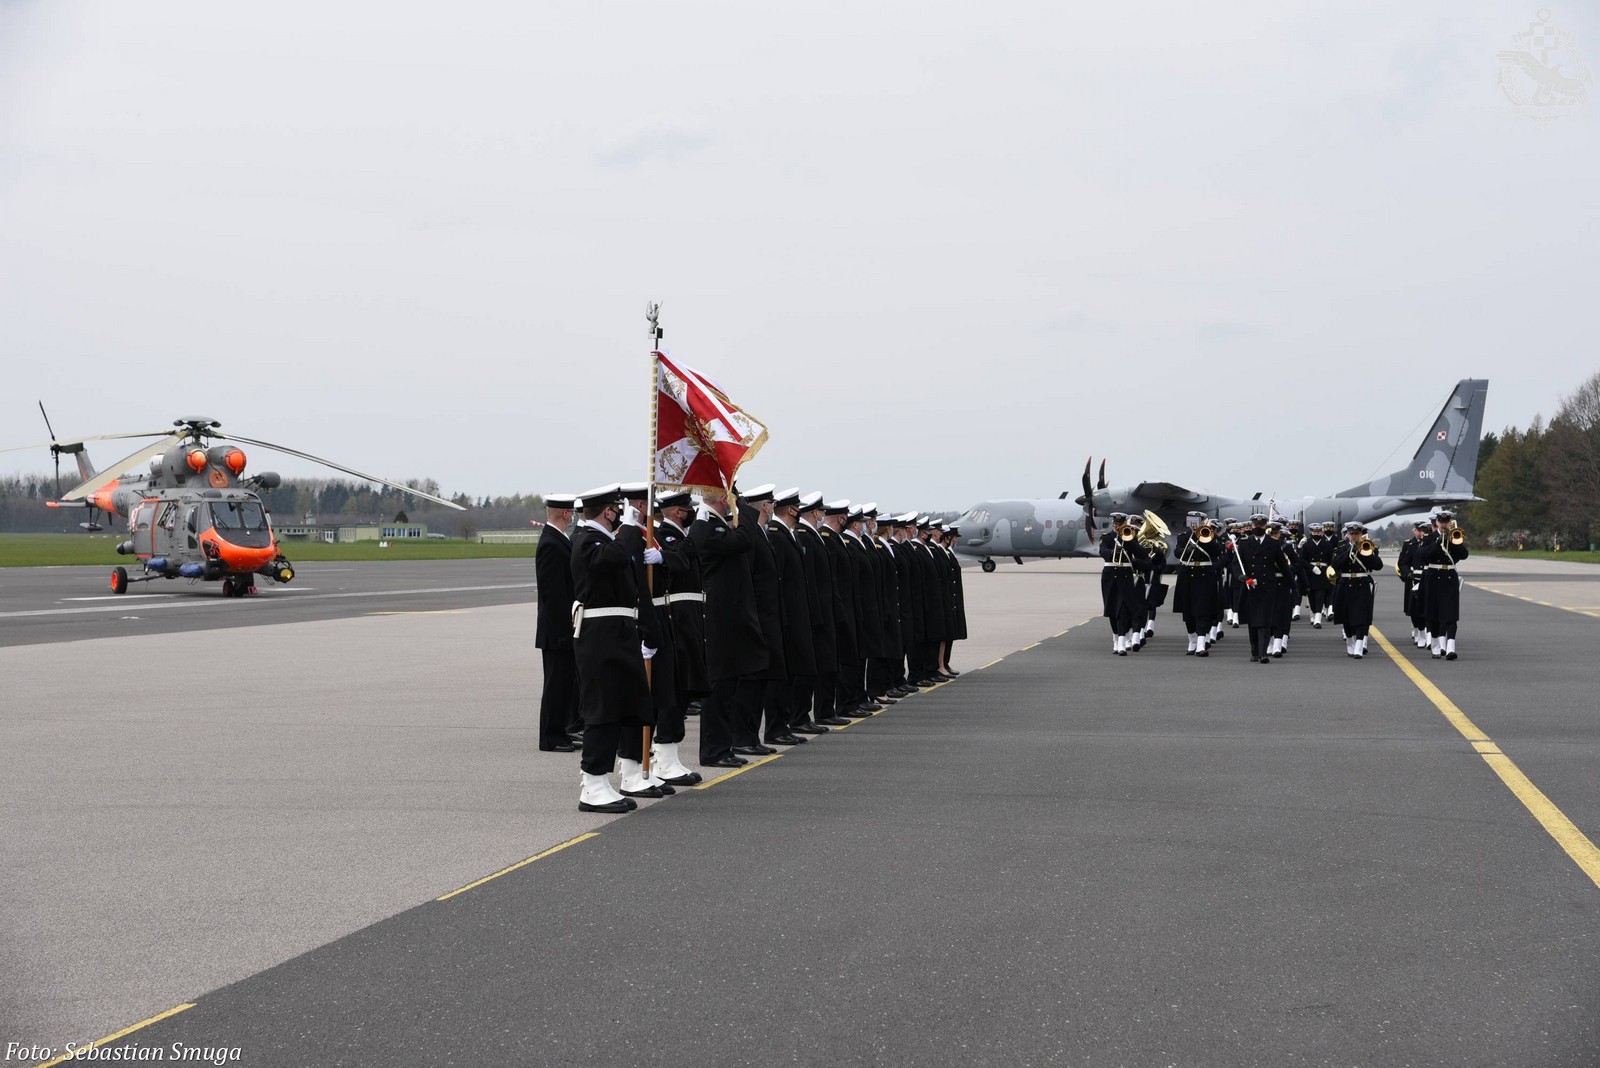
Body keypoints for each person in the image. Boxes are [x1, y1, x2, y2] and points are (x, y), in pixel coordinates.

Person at [569, 485, 656, 813]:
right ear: (608, 512)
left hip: (616, 634)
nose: (620, 515)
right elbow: (615, 558)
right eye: (616, 510)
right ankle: (592, 784)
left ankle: (612, 778)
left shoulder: (603, 541)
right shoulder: (586, 540)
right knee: (601, 709)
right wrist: (632, 527)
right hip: (598, 636)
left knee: (622, 705)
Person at [691, 487, 768, 768]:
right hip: (717, 618)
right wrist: (746, 508)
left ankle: (722, 746)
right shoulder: (705, 527)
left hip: (728, 619)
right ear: (725, 500)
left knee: (728, 686)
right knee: (719, 688)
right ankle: (713, 750)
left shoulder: (717, 525)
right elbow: (745, 539)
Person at [651, 489, 708, 784]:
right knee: (674, 692)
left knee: (684, 690)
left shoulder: (678, 538)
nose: (692, 513)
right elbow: (681, 562)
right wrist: (699, 531)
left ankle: (669, 756)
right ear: (676, 511)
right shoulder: (664, 536)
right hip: (677, 621)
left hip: (689, 619)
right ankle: (664, 758)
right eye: (688, 509)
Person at [763, 487, 813, 745]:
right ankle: (775, 728)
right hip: (785, 617)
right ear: (791, 510)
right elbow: (777, 580)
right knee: (780, 677)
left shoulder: (788, 535)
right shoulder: (777, 536)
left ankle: (783, 725)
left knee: (790, 673)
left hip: (794, 616)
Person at [796, 492, 848, 727]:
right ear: (815, 513)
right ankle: (814, 712)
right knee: (820, 664)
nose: (824, 515)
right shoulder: (804, 536)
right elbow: (809, 579)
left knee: (829, 662)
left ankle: (826, 710)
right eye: (822, 512)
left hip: (826, 610)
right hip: (817, 613)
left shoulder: (814, 535)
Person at [535, 493, 581, 752]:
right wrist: (563, 629)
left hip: (563, 627)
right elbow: (553, 594)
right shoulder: (551, 543)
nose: (572, 516)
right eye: (571, 512)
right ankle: (550, 737)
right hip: (556, 630)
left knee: (564, 683)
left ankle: (560, 731)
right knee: (555, 684)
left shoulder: (558, 540)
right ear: (565, 514)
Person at [1417, 510, 1468, 660]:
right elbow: (1421, 555)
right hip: (1433, 578)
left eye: (1447, 522)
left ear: (1450, 522)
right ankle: (1435, 646)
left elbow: (1464, 555)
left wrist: (1454, 541)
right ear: (1437, 522)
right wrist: (1437, 543)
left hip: (1449, 577)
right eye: (1442, 521)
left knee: (1451, 614)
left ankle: (1451, 648)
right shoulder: (1430, 538)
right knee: (1433, 614)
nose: (1444, 524)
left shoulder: (1454, 537)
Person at [1330, 522, 1383, 658]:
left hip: (1362, 584)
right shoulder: (1342, 547)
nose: (1354, 536)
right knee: (1346, 617)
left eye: (1357, 534)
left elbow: (1378, 565)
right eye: (1352, 534)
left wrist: (1365, 553)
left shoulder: (1368, 546)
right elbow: (1335, 564)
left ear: (1361, 534)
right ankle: (1350, 642)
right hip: (1345, 584)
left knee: (1362, 617)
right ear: (1347, 534)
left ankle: (1359, 646)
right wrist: (1349, 552)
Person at [1172, 512, 1220, 657]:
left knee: (1202, 611)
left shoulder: (1210, 535)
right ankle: (1192, 640)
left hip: (1204, 576)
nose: (1194, 523)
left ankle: (1200, 644)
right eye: (1191, 520)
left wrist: (1207, 538)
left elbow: (1216, 551)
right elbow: (1177, 552)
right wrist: (1188, 549)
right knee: (1188, 612)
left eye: (1197, 521)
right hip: (1187, 576)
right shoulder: (1183, 537)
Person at [1099, 513, 1147, 655]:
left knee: (1123, 610)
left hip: (1125, 575)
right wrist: (1114, 551)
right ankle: (1115, 639)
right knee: (1111, 610)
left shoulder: (1130, 537)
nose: (1118, 526)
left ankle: (1121, 643)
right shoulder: (1106, 537)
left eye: (1120, 524)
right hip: (1109, 576)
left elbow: (1141, 554)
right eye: (1116, 524)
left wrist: (1130, 540)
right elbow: (1102, 551)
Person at [1298, 522, 1336, 629]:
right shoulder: (1306, 545)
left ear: (1321, 532)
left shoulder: (1327, 544)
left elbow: (1330, 560)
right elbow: (1302, 560)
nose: (1316, 533)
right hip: (1310, 573)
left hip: (1323, 573)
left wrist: (1330, 573)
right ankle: (1313, 615)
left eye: (1319, 532)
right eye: (1314, 532)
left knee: (1320, 596)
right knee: (1311, 597)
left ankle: (1318, 620)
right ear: (1311, 532)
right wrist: (1311, 568)